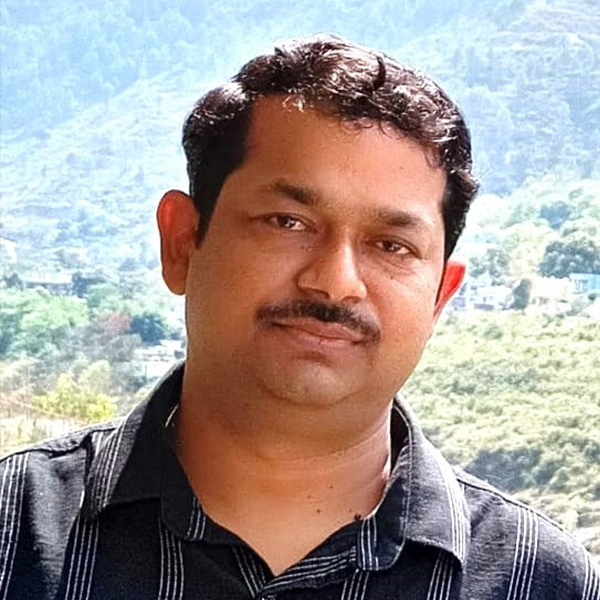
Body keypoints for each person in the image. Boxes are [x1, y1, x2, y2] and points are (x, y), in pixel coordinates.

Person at [0, 35, 598, 600]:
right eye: (287, 222)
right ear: (181, 243)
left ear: (440, 296)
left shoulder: (543, 582)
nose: (336, 281)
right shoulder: (13, 534)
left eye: (392, 246)